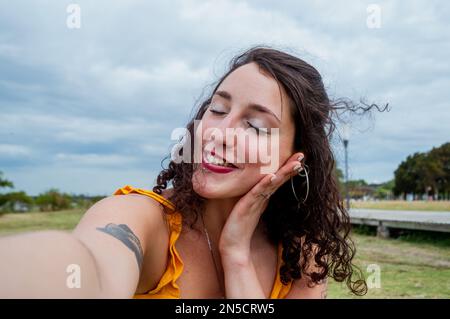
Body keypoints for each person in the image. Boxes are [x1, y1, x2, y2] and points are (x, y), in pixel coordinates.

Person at [0, 46, 370, 298]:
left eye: (255, 126)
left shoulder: (302, 254)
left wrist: (236, 253)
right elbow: (89, 265)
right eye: (218, 110)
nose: (218, 134)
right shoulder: (142, 221)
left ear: (295, 156)